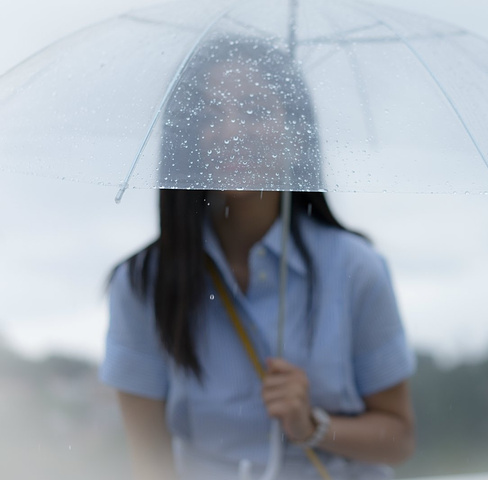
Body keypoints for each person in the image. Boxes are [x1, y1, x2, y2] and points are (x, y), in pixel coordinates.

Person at [99, 35, 416, 480]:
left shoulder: (355, 268)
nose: (232, 131)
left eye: (256, 110)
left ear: (296, 133)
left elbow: (399, 439)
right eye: (210, 115)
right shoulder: (141, 284)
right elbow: (150, 463)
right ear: (186, 139)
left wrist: (312, 426)